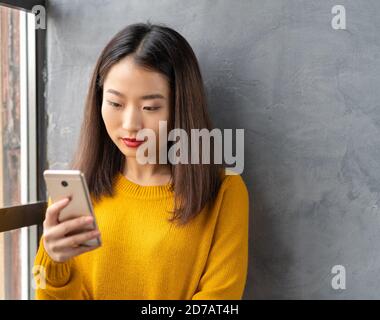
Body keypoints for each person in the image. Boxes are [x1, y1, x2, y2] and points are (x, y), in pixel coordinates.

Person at [33, 22, 249, 300]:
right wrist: (52, 260)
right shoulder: (74, 191)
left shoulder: (224, 192)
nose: (130, 124)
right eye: (115, 103)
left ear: (181, 107)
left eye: (150, 107)